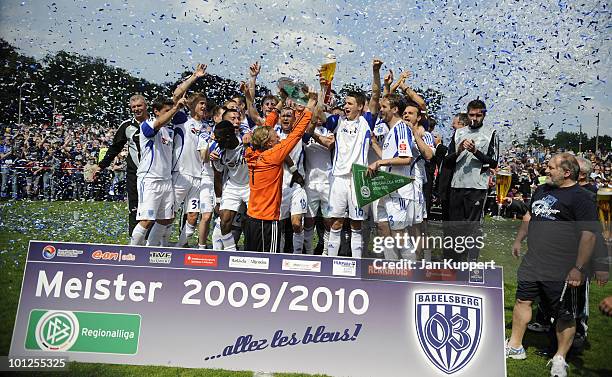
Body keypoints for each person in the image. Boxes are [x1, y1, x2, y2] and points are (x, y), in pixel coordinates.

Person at [507, 153, 599, 377]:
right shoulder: (542, 190)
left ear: (566, 172)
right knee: (522, 300)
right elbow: (530, 216)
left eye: (550, 168)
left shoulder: (582, 197)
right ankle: (515, 346)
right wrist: (519, 240)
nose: (545, 171)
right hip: (534, 260)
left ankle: (560, 358)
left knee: (565, 314)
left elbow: (589, 235)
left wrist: (578, 267)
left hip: (563, 265)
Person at [316, 59, 382, 258]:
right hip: (338, 178)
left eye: (349, 103)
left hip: (359, 178)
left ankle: (356, 263)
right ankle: (331, 262)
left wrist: (375, 72)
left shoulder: (366, 121)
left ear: (360, 106)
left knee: (356, 224)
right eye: (344, 103)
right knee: (335, 222)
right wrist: (322, 87)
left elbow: (376, 95)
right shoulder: (338, 121)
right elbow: (318, 112)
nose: (345, 106)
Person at [243, 91, 316, 252]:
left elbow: (266, 127)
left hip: (251, 219)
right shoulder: (273, 156)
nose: (278, 137)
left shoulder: (251, 154)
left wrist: (281, 101)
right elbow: (297, 133)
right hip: (268, 221)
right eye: (276, 136)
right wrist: (310, 104)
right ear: (268, 142)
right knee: (270, 263)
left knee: (250, 261)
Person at [130, 96, 188, 246]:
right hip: (150, 179)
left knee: (166, 218)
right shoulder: (146, 125)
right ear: (155, 111)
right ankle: (131, 251)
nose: (171, 114)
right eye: (166, 111)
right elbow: (154, 127)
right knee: (147, 219)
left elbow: (182, 108)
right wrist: (175, 108)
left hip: (166, 179)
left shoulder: (170, 128)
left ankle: (151, 249)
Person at [446, 100, 498, 261]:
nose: (475, 118)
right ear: (467, 114)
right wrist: (459, 150)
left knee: (473, 228)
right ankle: (454, 263)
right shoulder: (459, 132)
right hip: (457, 185)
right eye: (471, 115)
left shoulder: (491, 133)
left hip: (477, 187)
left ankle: (471, 264)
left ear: (484, 115)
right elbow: (447, 161)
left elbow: (494, 162)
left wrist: (475, 151)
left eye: (478, 115)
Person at [94, 94, 148, 236]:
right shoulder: (126, 126)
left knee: (152, 208)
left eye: (139, 106)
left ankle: (154, 241)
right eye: (133, 107)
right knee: (134, 206)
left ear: (146, 105)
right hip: (134, 173)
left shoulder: (156, 122)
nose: (136, 109)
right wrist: (101, 166)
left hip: (154, 175)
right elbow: (115, 148)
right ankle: (134, 239)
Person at [169, 64, 208, 247]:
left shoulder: (208, 128)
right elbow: (176, 96)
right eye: (201, 103)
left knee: (193, 215)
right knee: (170, 213)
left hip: (199, 177)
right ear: (192, 105)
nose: (204, 106)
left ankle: (179, 247)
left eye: (205, 104)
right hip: (181, 174)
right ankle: (159, 245)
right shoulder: (182, 120)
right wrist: (194, 77)